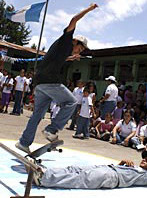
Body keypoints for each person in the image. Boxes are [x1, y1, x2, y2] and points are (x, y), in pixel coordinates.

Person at [15, 3, 99, 153]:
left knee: (38, 115)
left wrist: (70, 58)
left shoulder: (63, 50)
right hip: (49, 81)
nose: (77, 50)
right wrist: (90, 8)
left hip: (40, 83)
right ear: (75, 42)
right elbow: (73, 19)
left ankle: (23, 142)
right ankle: (52, 130)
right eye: (79, 48)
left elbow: (54, 59)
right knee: (71, 101)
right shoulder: (67, 39)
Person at [27, 149, 147, 189]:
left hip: (111, 177)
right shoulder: (137, 167)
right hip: (110, 168)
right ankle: (44, 172)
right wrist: (121, 164)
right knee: (75, 169)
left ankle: (44, 179)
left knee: (80, 178)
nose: (144, 159)